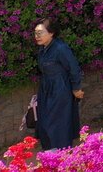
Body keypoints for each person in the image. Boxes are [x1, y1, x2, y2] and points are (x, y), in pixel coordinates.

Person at [32, 18, 83, 151]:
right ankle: (49, 154)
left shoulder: (61, 48)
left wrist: (76, 88)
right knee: (44, 122)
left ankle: (62, 155)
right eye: (36, 33)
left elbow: (74, 68)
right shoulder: (43, 49)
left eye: (40, 33)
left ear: (51, 33)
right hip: (45, 90)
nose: (37, 36)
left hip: (60, 90)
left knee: (57, 124)